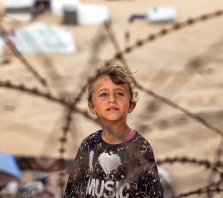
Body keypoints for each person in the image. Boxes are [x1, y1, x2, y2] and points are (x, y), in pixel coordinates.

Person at [65, 65, 164, 197]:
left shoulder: (140, 148)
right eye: (103, 94)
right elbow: (72, 191)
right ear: (92, 107)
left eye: (120, 93)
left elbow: (153, 194)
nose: (112, 99)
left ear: (131, 105)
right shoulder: (88, 145)